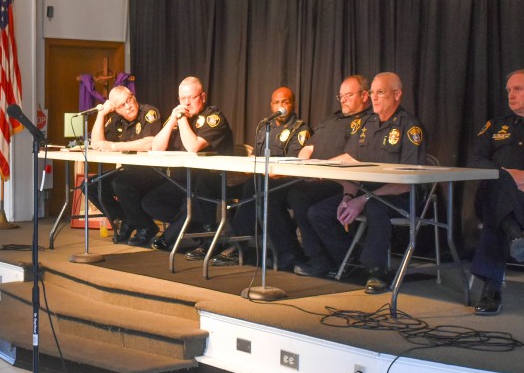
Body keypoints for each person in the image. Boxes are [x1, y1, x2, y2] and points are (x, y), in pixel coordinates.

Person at [307, 72, 426, 293]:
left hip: (398, 197)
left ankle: (376, 272)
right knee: (318, 212)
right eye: (372, 93)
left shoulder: (409, 128)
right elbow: (352, 163)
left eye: (380, 92)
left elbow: (407, 182)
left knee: (374, 207)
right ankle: (351, 262)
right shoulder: (368, 124)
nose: (375, 98)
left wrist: (362, 199)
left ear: (397, 94)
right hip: (364, 192)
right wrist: (348, 196)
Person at [469, 69, 524, 315]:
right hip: (493, 197)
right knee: (498, 188)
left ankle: (491, 287)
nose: (511, 94)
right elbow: (475, 160)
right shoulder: (494, 126)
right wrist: (511, 178)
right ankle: (513, 235)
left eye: (517, 89)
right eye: (508, 90)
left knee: (495, 210)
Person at [206, 87, 311, 270]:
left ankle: (237, 244)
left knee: (256, 188)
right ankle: (280, 252)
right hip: (262, 183)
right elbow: (253, 159)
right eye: (276, 102)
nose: (280, 106)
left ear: (293, 104)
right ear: (271, 105)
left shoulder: (300, 130)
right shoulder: (264, 128)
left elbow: (294, 166)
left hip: (287, 183)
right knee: (237, 185)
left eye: (285, 102)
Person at [136, 76, 234, 250]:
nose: (186, 103)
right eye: (182, 98)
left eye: (192, 98)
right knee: (150, 201)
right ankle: (197, 226)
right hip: (183, 179)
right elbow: (157, 147)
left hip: (211, 180)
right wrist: (172, 120)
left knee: (194, 199)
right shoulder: (178, 117)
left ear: (203, 97)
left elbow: (193, 147)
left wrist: (180, 119)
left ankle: (169, 237)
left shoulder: (213, 116)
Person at [290, 75, 373, 277]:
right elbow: (308, 147)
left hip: (344, 181)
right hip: (316, 176)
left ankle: (326, 259)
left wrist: (321, 170)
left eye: (348, 95)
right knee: (276, 194)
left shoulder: (369, 120)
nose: (343, 99)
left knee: (302, 198)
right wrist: (304, 166)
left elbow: (354, 156)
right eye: (341, 96)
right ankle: (300, 255)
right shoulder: (331, 119)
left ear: (364, 95)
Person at [85, 86, 161, 243]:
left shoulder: (149, 113)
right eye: (121, 105)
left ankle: (145, 226)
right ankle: (130, 219)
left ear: (133, 96)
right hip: (129, 170)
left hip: (153, 172)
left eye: (129, 100)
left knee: (120, 183)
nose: (128, 106)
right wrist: (101, 114)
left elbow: (150, 142)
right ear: (115, 108)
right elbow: (97, 143)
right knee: (91, 186)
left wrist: (114, 146)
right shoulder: (115, 119)